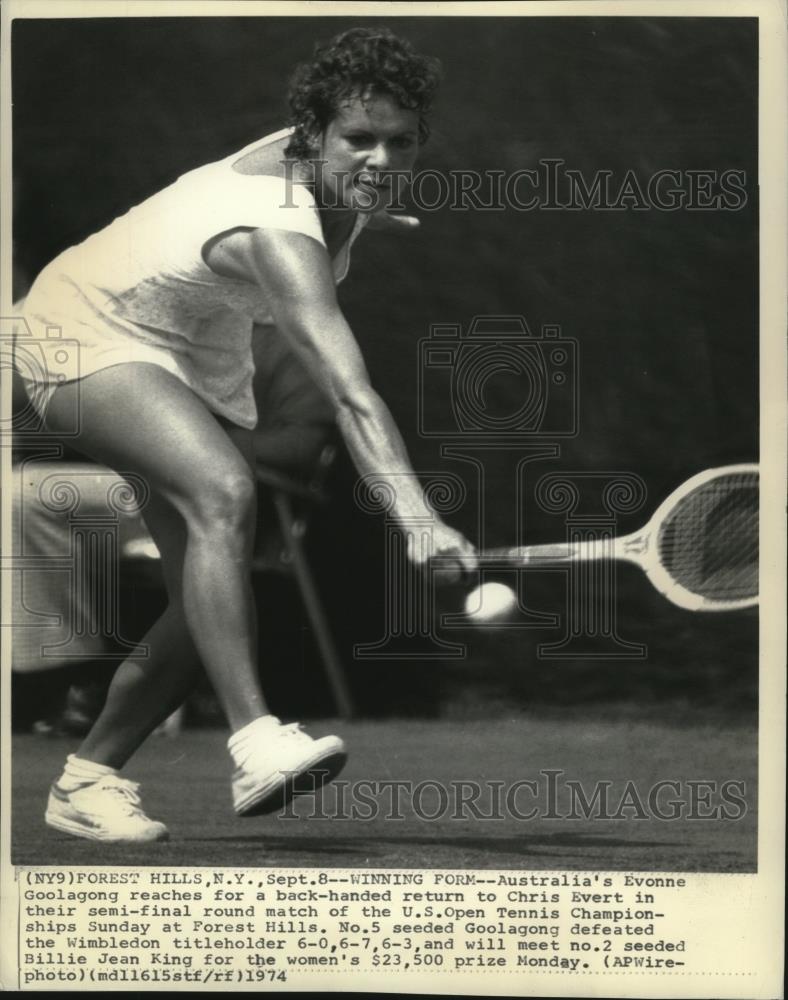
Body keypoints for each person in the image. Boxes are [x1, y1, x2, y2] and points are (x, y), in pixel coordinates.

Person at [16, 27, 477, 843]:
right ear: (313, 136)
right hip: (80, 327)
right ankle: (256, 740)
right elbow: (349, 392)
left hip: (192, 345)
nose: (379, 159)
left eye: (399, 143)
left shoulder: (337, 191)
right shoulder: (279, 227)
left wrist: (356, 196)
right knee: (225, 491)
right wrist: (417, 518)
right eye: (358, 140)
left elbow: (342, 192)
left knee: (209, 580)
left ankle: (86, 781)